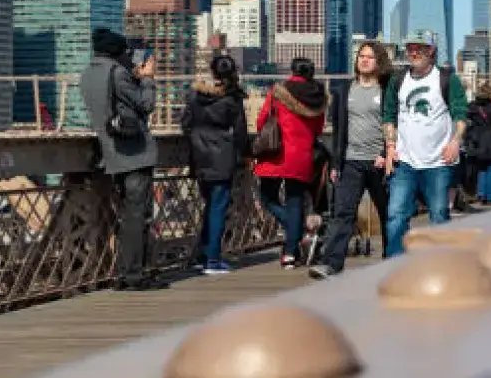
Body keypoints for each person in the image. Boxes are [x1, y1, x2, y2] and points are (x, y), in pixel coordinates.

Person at [80, 29, 164, 291]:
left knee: (128, 215)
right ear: (117, 51)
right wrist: (148, 79)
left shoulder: (88, 74)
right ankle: (133, 275)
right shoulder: (117, 74)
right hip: (134, 154)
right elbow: (145, 104)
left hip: (112, 152)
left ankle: (126, 272)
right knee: (137, 216)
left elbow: (119, 105)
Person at [381, 29, 468, 258]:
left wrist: (455, 142)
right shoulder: (397, 80)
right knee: (396, 215)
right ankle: (395, 266)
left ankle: (440, 264)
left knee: (439, 215)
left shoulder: (447, 79)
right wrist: (390, 146)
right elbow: (389, 115)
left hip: (438, 162)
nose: (413, 52)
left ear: (431, 50)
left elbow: (460, 114)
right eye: (410, 47)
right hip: (405, 162)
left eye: (419, 48)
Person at [309, 42, 392, 280]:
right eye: (361, 56)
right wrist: (336, 163)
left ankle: (393, 261)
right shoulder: (344, 90)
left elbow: (395, 125)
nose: (364, 60)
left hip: (378, 162)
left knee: (389, 213)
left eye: (370, 57)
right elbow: (338, 131)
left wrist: (387, 155)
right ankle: (331, 264)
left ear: (379, 62)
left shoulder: (387, 90)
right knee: (342, 213)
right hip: (351, 161)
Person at [255, 58, 327, 269]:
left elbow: (261, 121)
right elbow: (319, 129)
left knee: (268, 198)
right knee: (295, 200)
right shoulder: (318, 97)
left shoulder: (278, 91)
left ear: (291, 71)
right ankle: (289, 254)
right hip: (302, 155)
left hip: (276, 152)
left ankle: (294, 228)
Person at [180, 54, 249, 275]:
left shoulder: (195, 95)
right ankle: (212, 260)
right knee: (218, 208)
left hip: (199, 157)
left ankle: (202, 256)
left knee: (210, 206)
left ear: (213, 72)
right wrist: (245, 154)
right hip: (222, 157)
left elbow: (185, 124)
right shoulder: (232, 99)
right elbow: (240, 133)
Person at [465, 82, 491, 205]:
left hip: (477, 141)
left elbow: (467, 124)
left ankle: (481, 195)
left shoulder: (471, 107)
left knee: (481, 168)